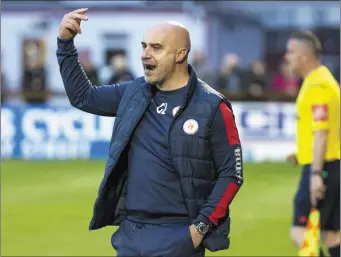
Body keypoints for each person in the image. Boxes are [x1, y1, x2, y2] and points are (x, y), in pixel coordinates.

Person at [57, 8, 244, 257]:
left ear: (181, 54)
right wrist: (65, 44)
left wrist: (199, 229)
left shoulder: (212, 106)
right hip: (131, 235)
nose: (145, 54)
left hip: (178, 235)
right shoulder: (134, 92)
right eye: (144, 46)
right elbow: (83, 97)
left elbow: (231, 174)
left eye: (156, 47)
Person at [285, 31, 340, 257]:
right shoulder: (320, 80)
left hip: (322, 168)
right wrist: (301, 153)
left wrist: (316, 173)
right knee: (331, 236)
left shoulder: (318, 85)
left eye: (291, 52)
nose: (287, 57)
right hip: (330, 165)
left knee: (300, 232)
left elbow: (322, 132)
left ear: (306, 56)